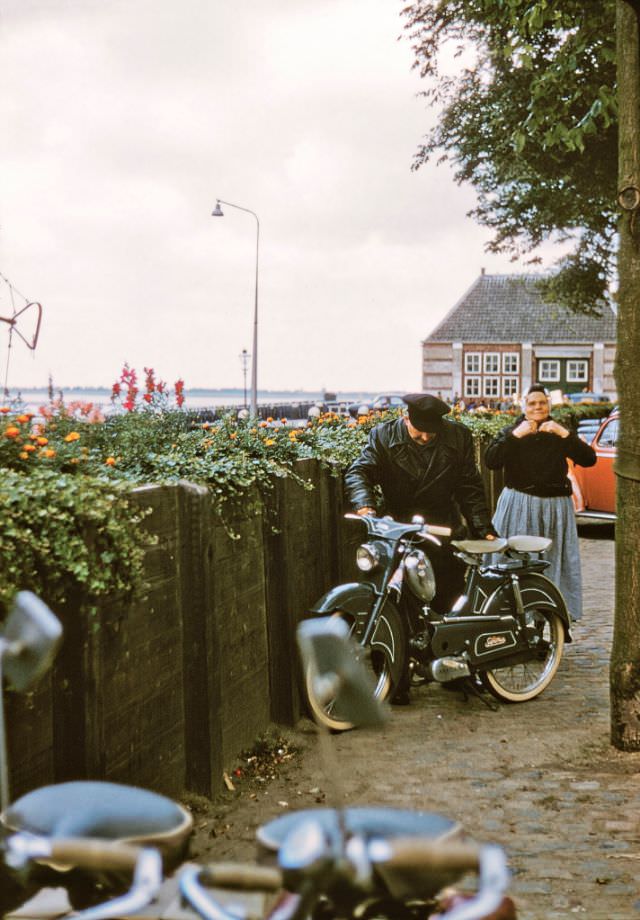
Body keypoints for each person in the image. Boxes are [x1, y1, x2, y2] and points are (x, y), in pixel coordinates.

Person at [344, 392, 496, 614]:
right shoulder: (383, 435)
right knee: (396, 603)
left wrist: (482, 528)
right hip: (398, 530)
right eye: (419, 433)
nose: (425, 437)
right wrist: (365, 506)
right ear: (406, 419)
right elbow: (359, 472)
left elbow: (470, 487)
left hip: (442, 529)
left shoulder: (457, 435)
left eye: (431, 433)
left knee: (447, 599)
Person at [484, 384, 596, 621]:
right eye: (532, 403)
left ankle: (546, 627)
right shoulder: (513, 432)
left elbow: (589, 459)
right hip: (520, 506)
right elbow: (491, 461)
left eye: (542, 403)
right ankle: (513, 623)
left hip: (555, 509)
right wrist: (515, 436)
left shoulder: (558, 433)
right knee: (516, 564)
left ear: (549, 405)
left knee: (551, 566)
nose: (537, 408)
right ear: (524, 406)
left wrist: (563, 432)